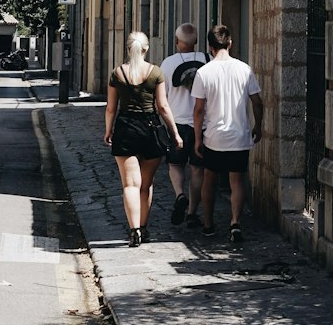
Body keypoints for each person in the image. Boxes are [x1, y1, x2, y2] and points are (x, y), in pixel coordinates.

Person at [103, 30, 183, 248]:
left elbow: (111, 108)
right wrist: (175, 133)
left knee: (129, 184)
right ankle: (144, 228)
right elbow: (163, 107)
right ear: (146, 49)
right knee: (145, 185)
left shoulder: (117, 73)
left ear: (128, 49)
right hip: (150, 129)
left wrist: (108, 130)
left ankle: (134, 230)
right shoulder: (155, 72)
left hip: (125, 128)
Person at [191, 24, 263, 248]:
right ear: (230, 43)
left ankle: (209, 224)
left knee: (209, 180)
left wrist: (197, 138)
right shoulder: (244, 69)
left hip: (214, 137)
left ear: (209, 47)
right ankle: (235, 223)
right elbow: (257, 102)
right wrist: (258, 126)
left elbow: (198, 110)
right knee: (237, 181)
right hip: (239, 135)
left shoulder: (204, 72)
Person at [158, 23, 207, 228]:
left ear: (177, 41)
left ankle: (179, 194)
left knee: (175, 165)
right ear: (195, 41)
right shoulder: (207, 61)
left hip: (176, 123)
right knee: (197, 169)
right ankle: (192, 212)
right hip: (202, 125)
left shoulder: (167, 64)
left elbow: (162, 97)